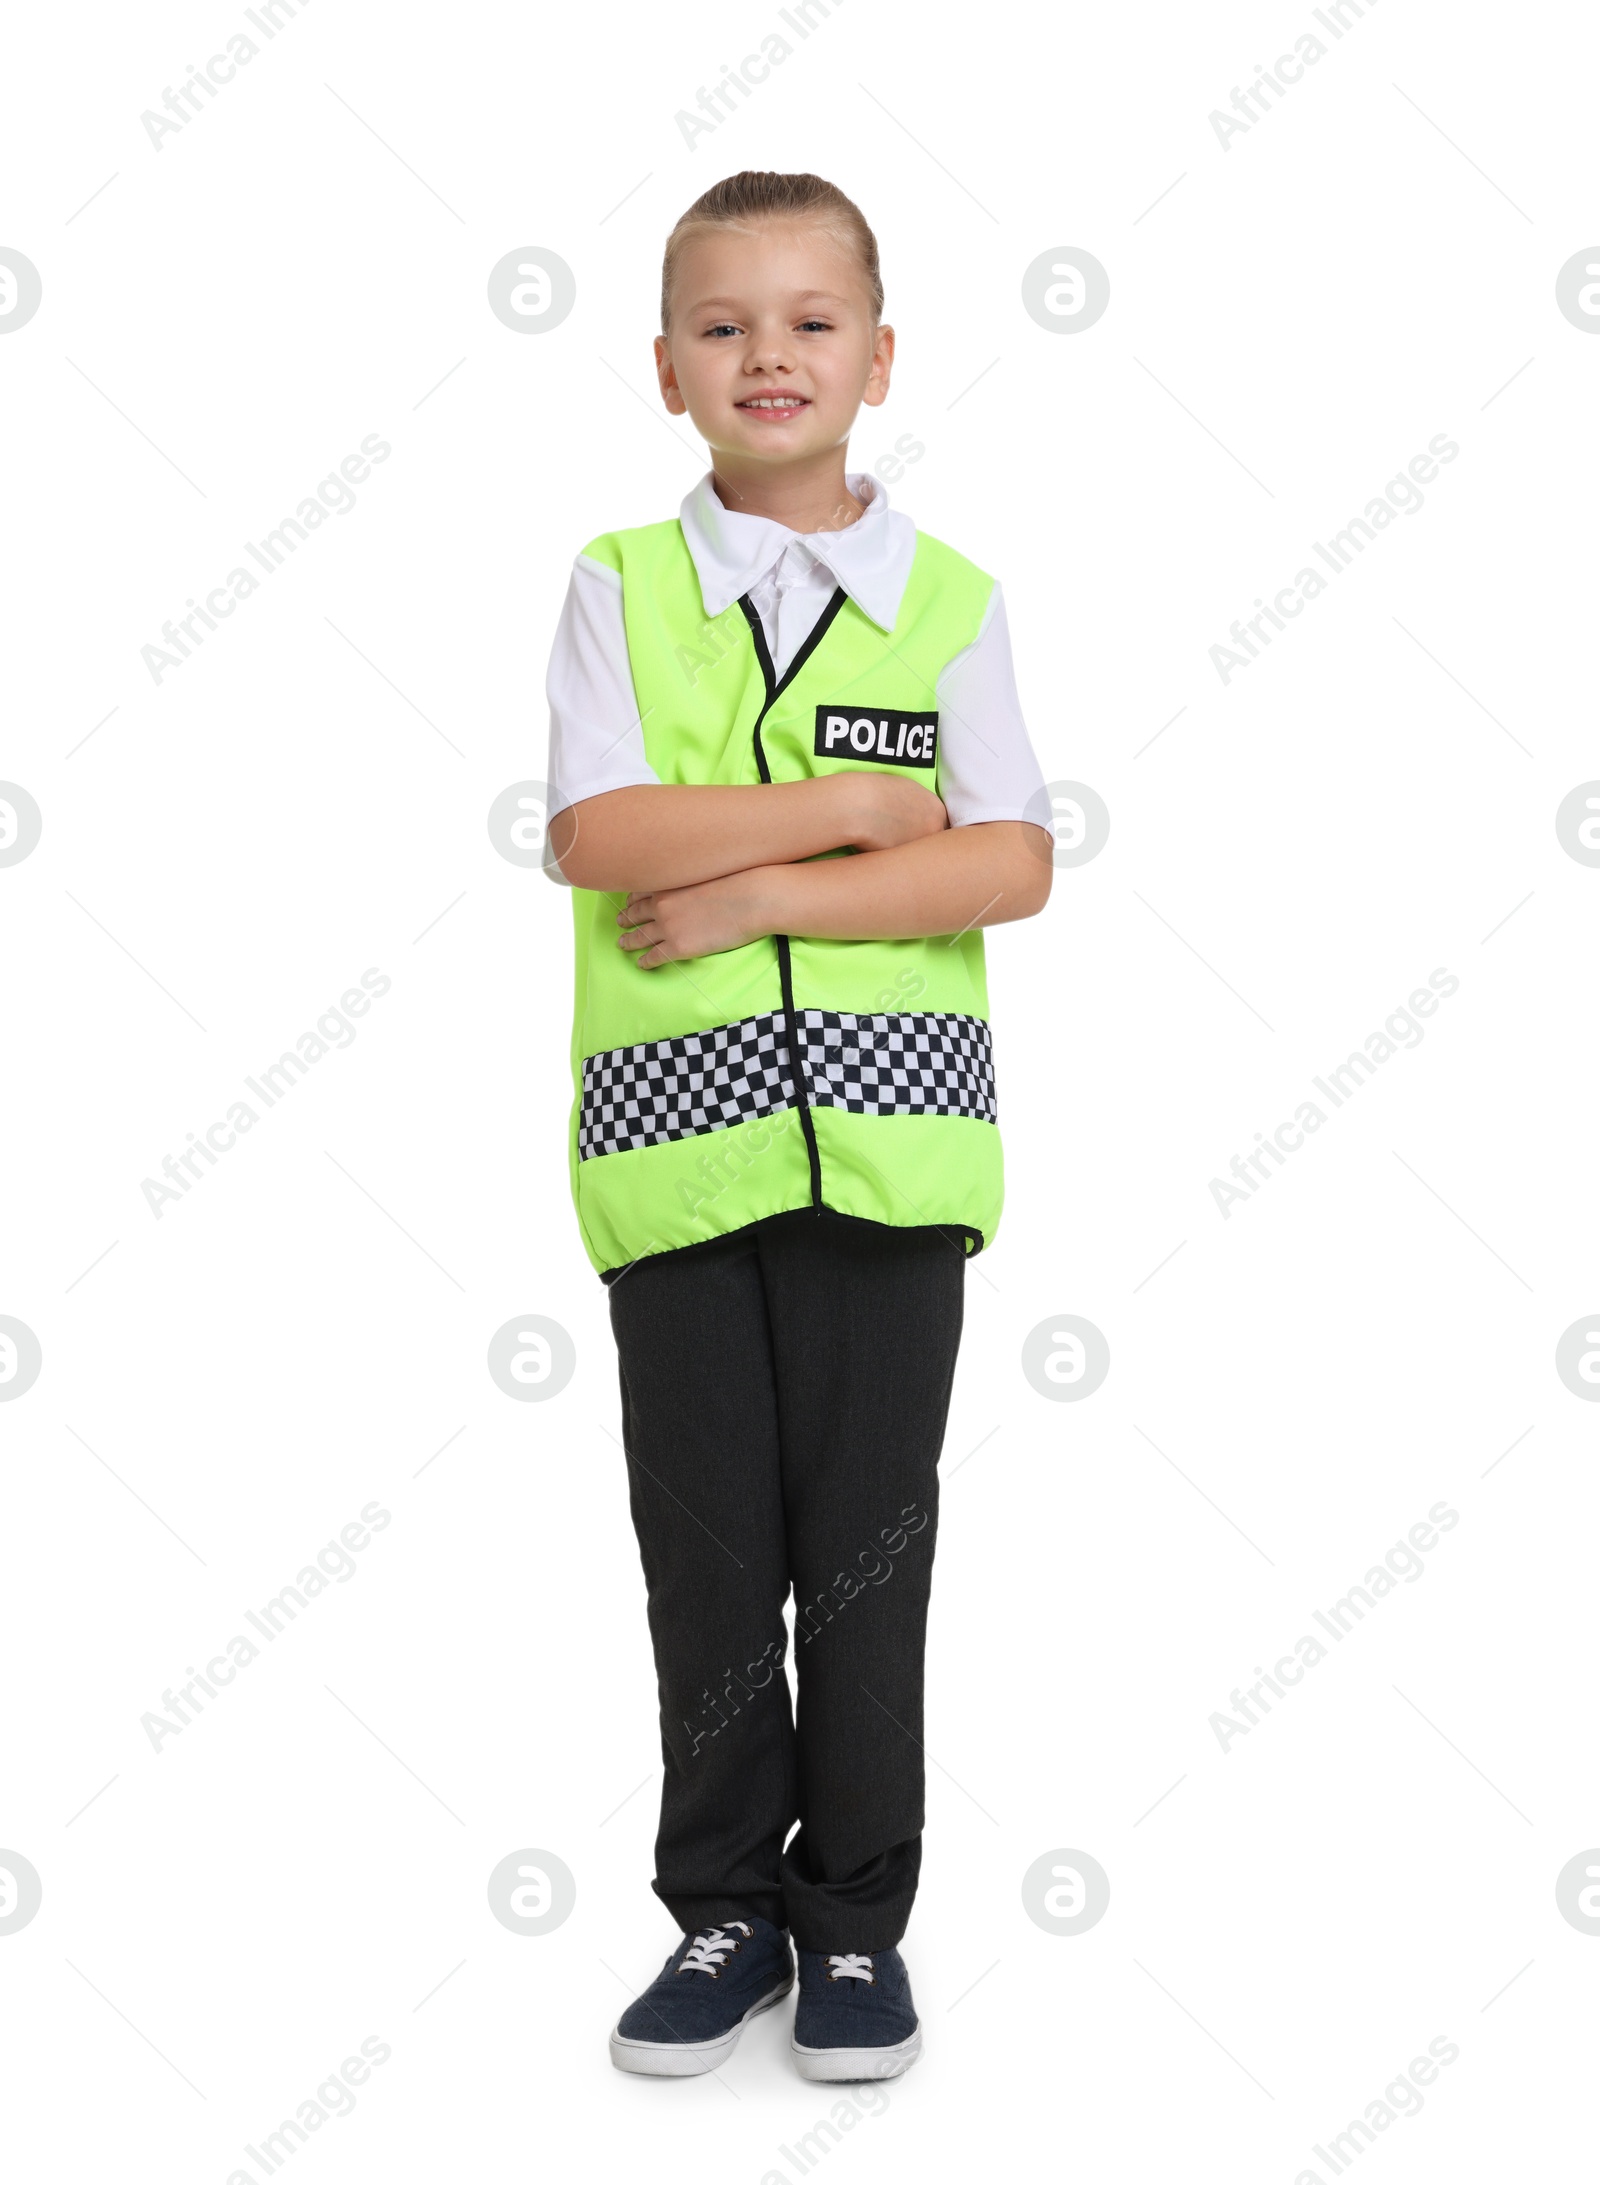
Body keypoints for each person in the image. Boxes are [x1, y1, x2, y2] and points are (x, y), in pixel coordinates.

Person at [544, 168, 1054, 2083]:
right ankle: (725, 1913)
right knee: (705, 1555)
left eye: (812, 320)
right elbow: (600, 836)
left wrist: (763, 877)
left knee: (864, 1547)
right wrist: (858, 813)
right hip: (677, 1165)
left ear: (882, 356)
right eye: (725, 324)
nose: (772, 353)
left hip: (896, 1164)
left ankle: (853, 1923)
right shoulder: (621, 582)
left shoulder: (952, 603)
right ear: (668, 369)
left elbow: (1007, 860)